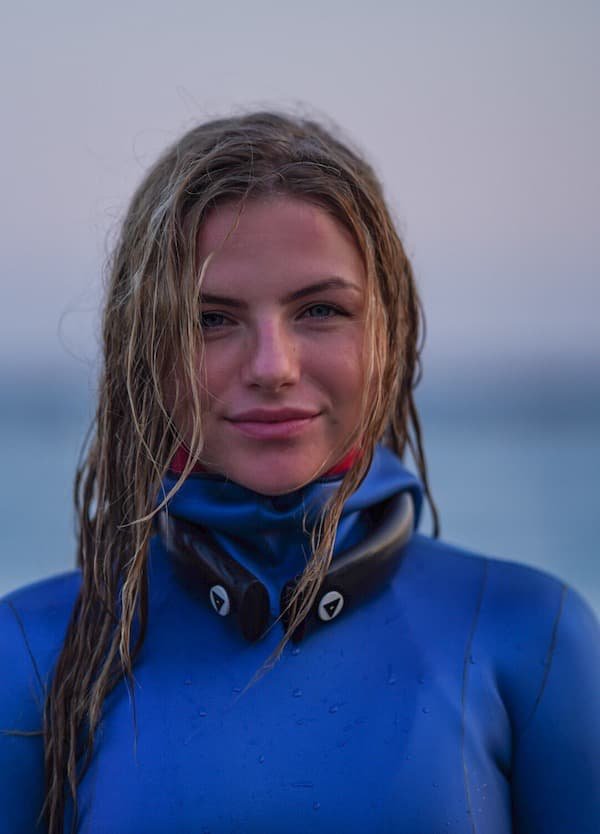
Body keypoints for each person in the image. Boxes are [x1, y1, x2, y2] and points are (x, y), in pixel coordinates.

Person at [0, 111, 598, 834]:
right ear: (143, 351)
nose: (272, 368)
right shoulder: (33, 653)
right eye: (211, 320)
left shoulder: (530, 639)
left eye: (319, 310)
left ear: (390, 329)